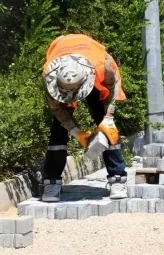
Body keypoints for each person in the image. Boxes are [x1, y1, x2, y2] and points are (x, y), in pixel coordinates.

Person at [41, 34, 128, 202]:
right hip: (64, 78)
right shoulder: (49, 75)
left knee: (107, 127)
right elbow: (57, 110)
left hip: (95, 77)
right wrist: (75, 132)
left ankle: (118, 178)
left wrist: (108, 118)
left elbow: (111, 89)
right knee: (58, 130)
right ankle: (51, 182)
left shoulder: (104, 65)